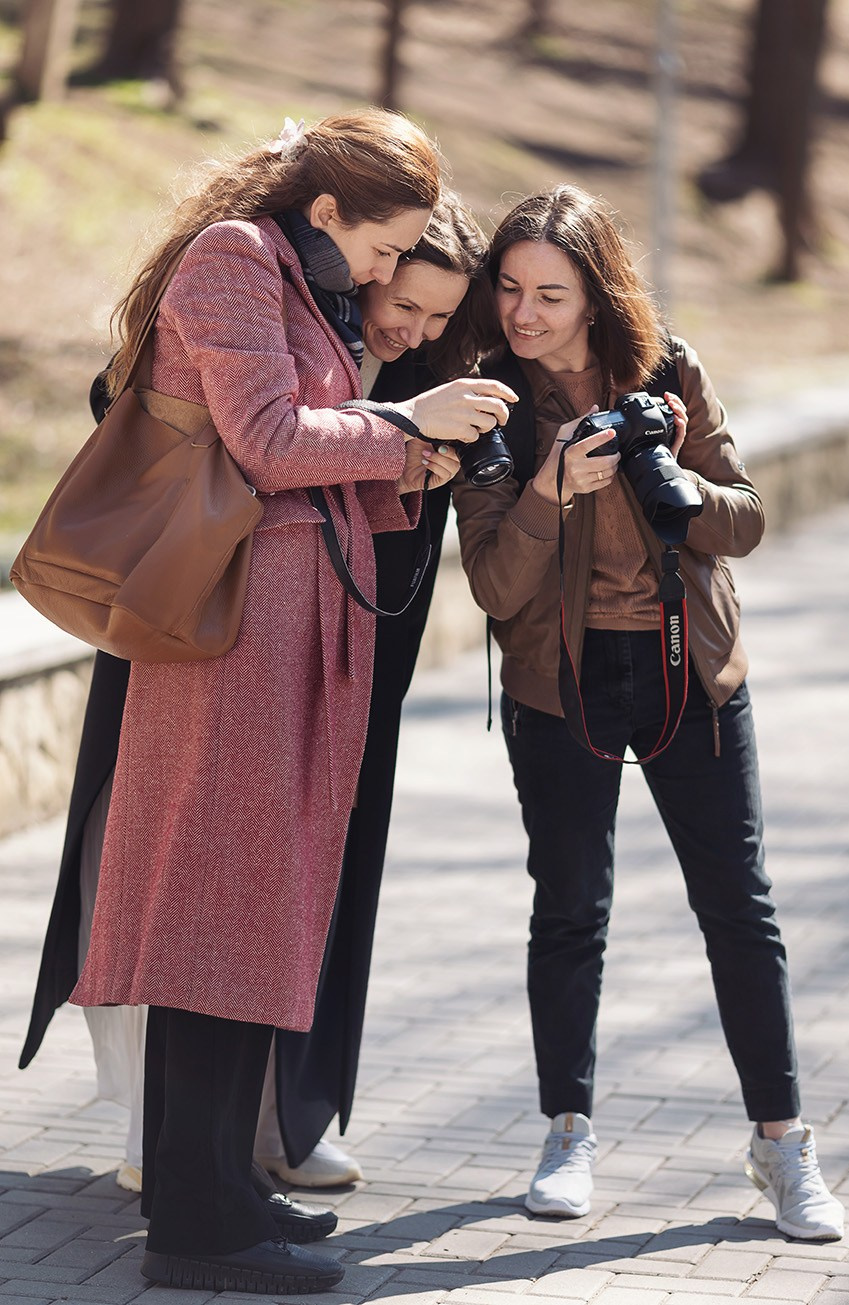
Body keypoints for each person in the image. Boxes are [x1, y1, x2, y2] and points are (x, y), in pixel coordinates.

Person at [58, 110, 514, 1295]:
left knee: (254, 905)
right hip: (230, 637)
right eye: (385, 248)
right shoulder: (233, 263)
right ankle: (197, 1227)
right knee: (217, 906)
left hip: (287, 631)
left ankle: (225, 1185)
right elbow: (265, 442)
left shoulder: (291, 282)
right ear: (329, 213)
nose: (385, 275)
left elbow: (315, 452)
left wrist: (420, 459)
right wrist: (405, 425)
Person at [452, 184, 846, 1242]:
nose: (525, 313)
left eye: (551, 294)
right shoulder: (486, 396)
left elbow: (748, 519)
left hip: (692, 675)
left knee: (740, 909)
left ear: (597, 296)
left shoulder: (667, 370)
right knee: (570, 908)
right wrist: (552, 490)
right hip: (560, 683)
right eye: (511, 289)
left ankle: (783, 1147)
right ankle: (567, 1133)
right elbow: (493, 583)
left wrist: (683, 493)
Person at [257, 191, 497, 1184]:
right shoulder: (287, 321)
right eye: (407, 300)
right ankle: (189, 1131)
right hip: (254, 646)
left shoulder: (436, 372)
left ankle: (297, 1121)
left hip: (364, 660)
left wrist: (436, 466)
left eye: (443, 317)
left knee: (341, 873)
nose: (416, 329)